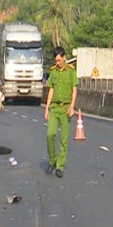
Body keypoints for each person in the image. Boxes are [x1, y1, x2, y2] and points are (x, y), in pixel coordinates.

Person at [43, 46, 78, 178]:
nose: (57, 63)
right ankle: (53, 160)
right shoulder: (53, 72)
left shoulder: (71, 72)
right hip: (54, 108)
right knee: (50, 134)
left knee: (64, 139)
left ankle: (60, 166)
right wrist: (47, 108)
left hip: (65, 108)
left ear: (64, 58)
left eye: (59, 60)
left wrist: (72, 107)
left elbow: (74, 90)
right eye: (56, 61)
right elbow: (51, 89)